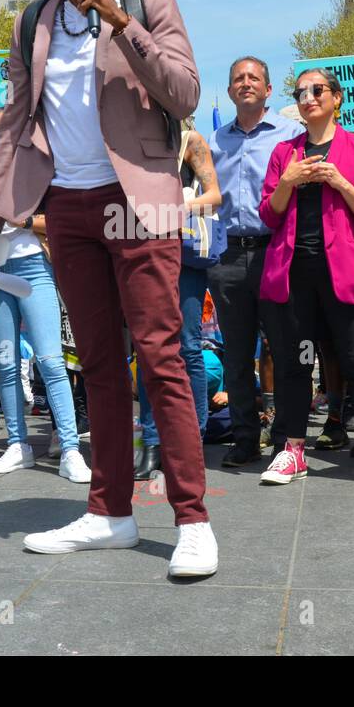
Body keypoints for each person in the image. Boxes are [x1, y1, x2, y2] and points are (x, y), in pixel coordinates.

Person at [0, 0, 216, 578]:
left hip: (137, 203)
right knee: (98, 362)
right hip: (68, 209)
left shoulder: (148, 0)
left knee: (160, 353)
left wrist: (123, 22)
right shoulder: (32, 24)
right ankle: (110, 513)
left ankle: (192, 519)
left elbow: (185, 93)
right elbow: (14, 127)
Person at [257, 68, 354, 489]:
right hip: (293, 272)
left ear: (337, 98)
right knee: (296, 364)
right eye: (301, 92)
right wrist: (289, 183)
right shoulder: (284, 153)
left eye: (317, 90)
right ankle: (292, 451)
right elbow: (268, 215)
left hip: (344, 272)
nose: (308, 97)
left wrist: (340, 182)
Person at [0, 109, 90, 483]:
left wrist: (17, 220)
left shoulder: (42, 173)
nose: (4, 133)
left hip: (35, 269)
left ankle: (70, 449)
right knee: (6, 362)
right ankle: (18, 445)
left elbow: (58, 221)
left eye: (11, 125)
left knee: (51, 361)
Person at [207, 57, 304, 469]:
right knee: (236, 354)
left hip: (277, 252)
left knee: (283, 351)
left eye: (254, 78)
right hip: (227, 257)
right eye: (237, 79)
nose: (245, 84)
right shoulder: (212, 142)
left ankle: (285, 440)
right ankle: (245, 437)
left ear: (268, 89)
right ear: (230, 91)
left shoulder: (293, 135)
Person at [133, 121, 223, 479]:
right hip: (139, 253)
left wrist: (175, 207)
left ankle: (192, 440)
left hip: (182, 255)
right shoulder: (131, 139)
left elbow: (214, 196)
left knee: (187, 347)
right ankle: (152, 444)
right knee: (147, 349)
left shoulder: (190, 139)